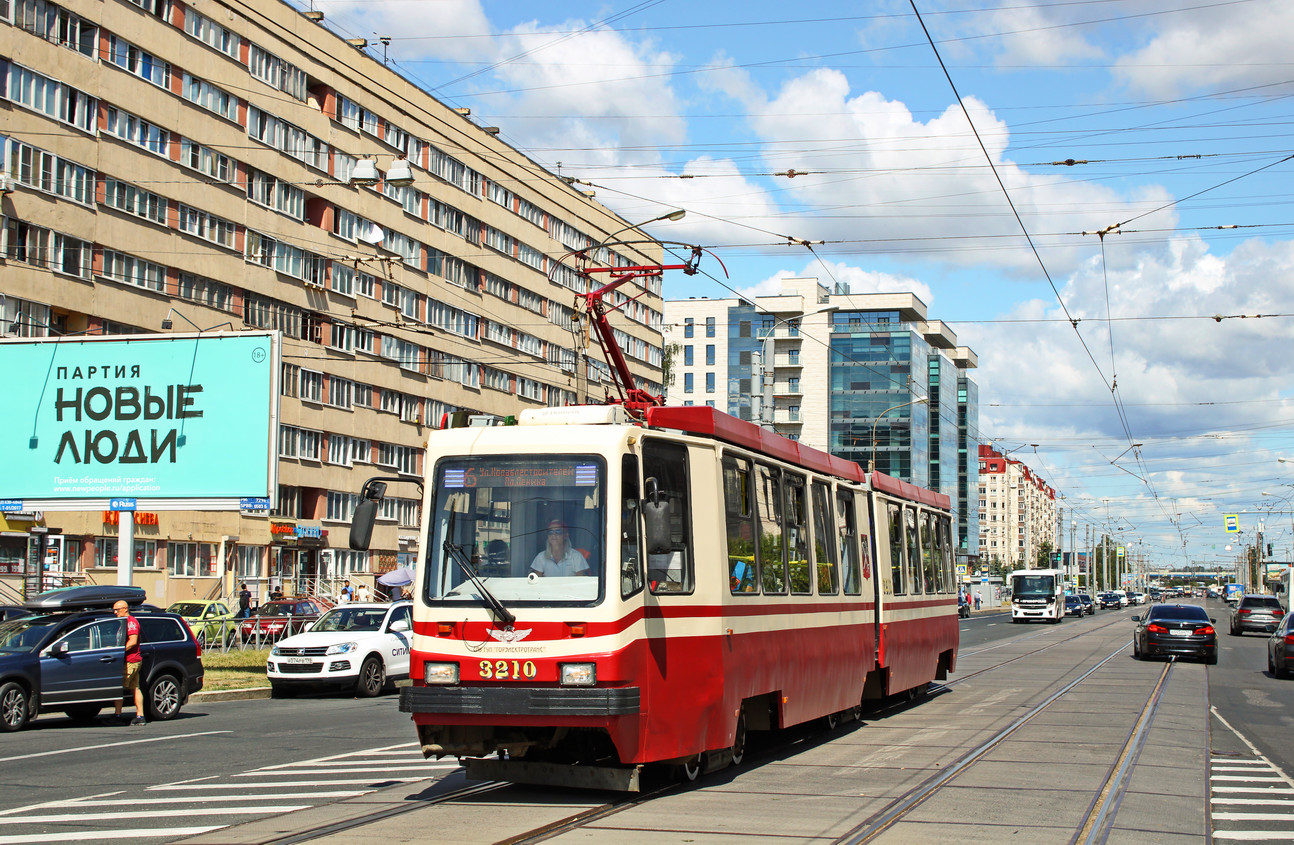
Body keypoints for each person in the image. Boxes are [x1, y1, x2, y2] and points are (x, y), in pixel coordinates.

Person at [112, 600, 146, 725]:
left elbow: (132, 641)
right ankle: (140, 716)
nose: (115, 612)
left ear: (125, 609)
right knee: (135, 688)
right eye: (114, 610)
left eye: (117, 609)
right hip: (133, 660)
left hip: (130, 661)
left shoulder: (131, 622)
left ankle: (117, 715)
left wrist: (118, 651)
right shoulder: (124, 622)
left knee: (118, 688)